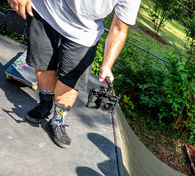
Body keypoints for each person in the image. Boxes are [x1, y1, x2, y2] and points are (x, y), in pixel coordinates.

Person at [8, 0, 141, 148]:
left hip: (84, 34)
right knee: (44, 65)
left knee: (70, 82)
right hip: (46, 11)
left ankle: (57, 120)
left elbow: (119, 29)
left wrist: (107, 64)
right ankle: (45, 104)